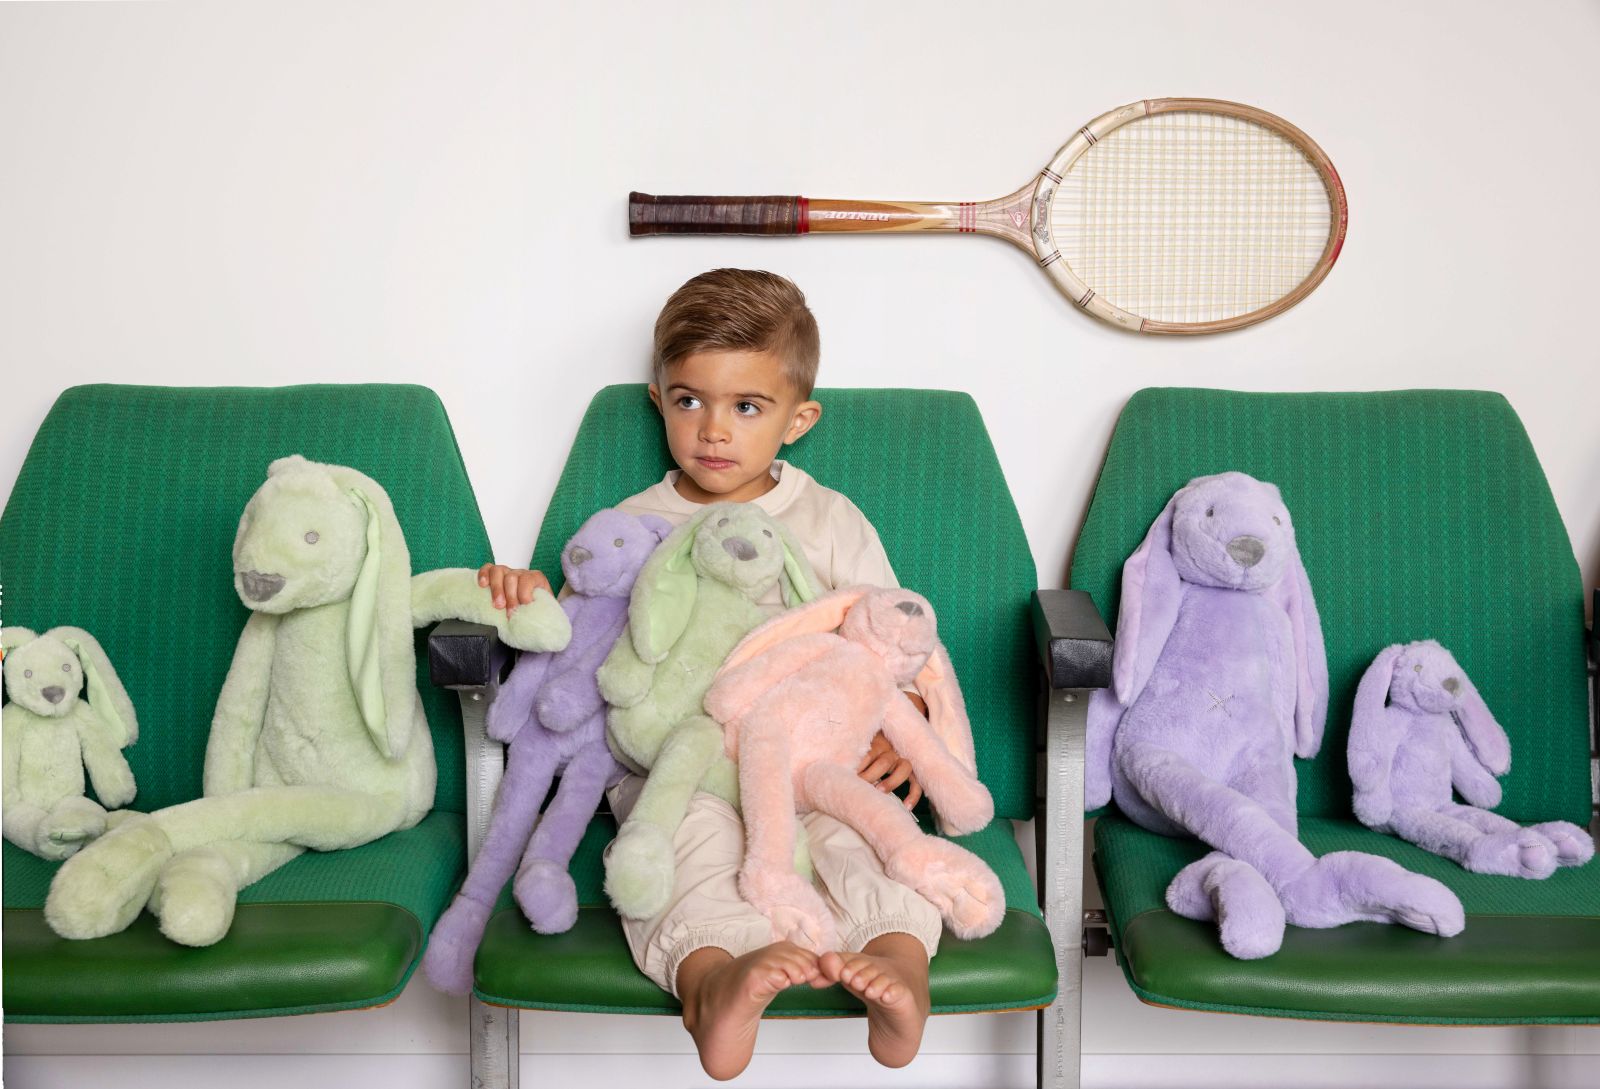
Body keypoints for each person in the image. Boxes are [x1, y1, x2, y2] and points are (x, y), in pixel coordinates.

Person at [479, 269, 941, 1079]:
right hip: (678, 765)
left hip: (811, 760)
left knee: (864, 843)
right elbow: (575, 646)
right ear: (659, 399)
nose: (713, 430)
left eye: (747, 407)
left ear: (799, 419)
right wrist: (521, 597)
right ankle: (712, 986)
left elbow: (891, 637)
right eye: (689, 400)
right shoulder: (632, 524)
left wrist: (901, 724)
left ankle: (899, 966)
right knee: (685, 857)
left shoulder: (829, 520)